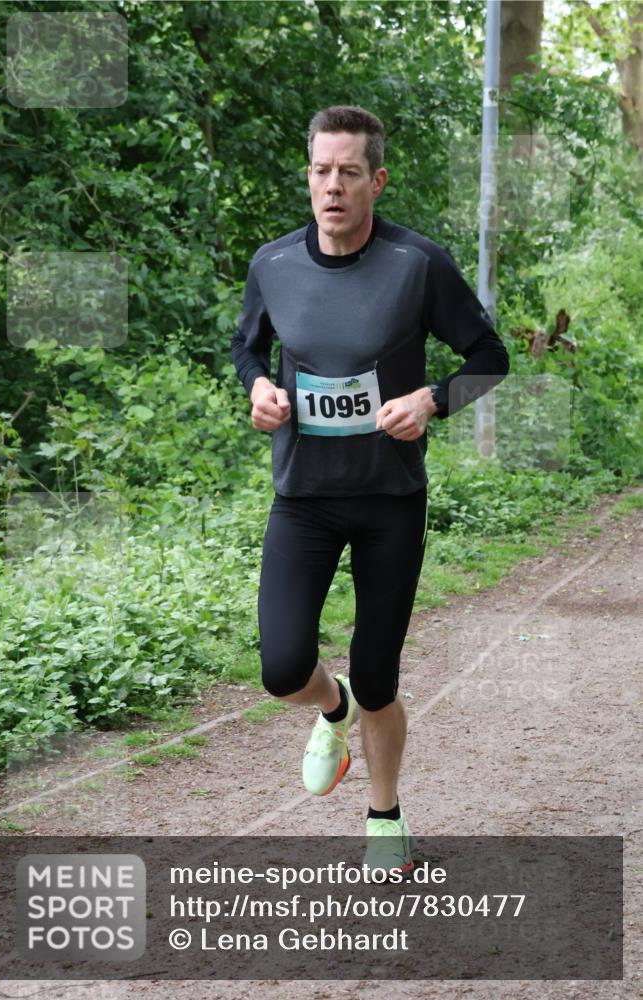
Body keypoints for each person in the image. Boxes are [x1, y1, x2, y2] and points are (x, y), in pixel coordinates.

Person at [231, 105, 509, 875]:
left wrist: (431, 401)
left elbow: (489, 355)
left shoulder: (417, 264)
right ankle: (332, 707)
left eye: (348, 172)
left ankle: (384, 812)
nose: (332, 187)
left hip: (389, 500)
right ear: (308, 176)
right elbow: (245, 345)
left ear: (375, 181)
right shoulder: (273, 264)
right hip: (303, 499)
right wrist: (257, 387)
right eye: (320, 171)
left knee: (380, 671)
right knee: (282, 667)